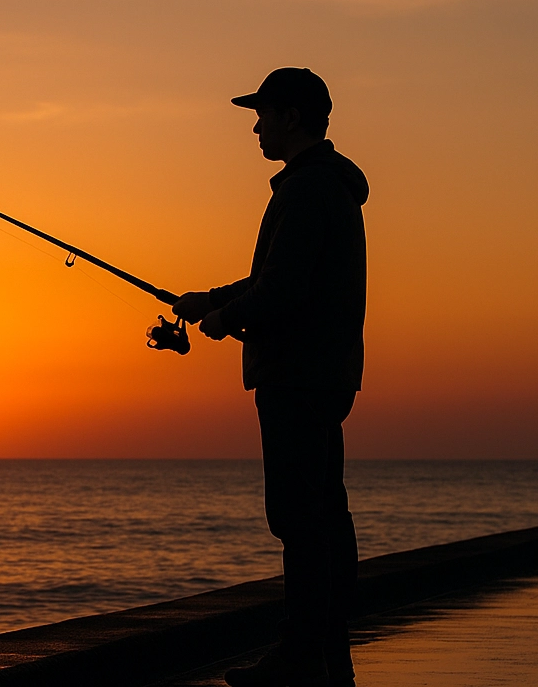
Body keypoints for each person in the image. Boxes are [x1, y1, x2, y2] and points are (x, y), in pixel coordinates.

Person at [173, 68, 368, 687]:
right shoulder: (324, 186)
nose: (255, 128)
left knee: (298, 517)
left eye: (262, 115)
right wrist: (209, 300)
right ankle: (328, 650)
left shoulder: (306, 190)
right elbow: (275, 278)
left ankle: (300, 658)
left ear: (290, 116)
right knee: (323, 511)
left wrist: (223, 320)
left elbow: (281, 291)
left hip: (297, 374)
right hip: (323, 372)